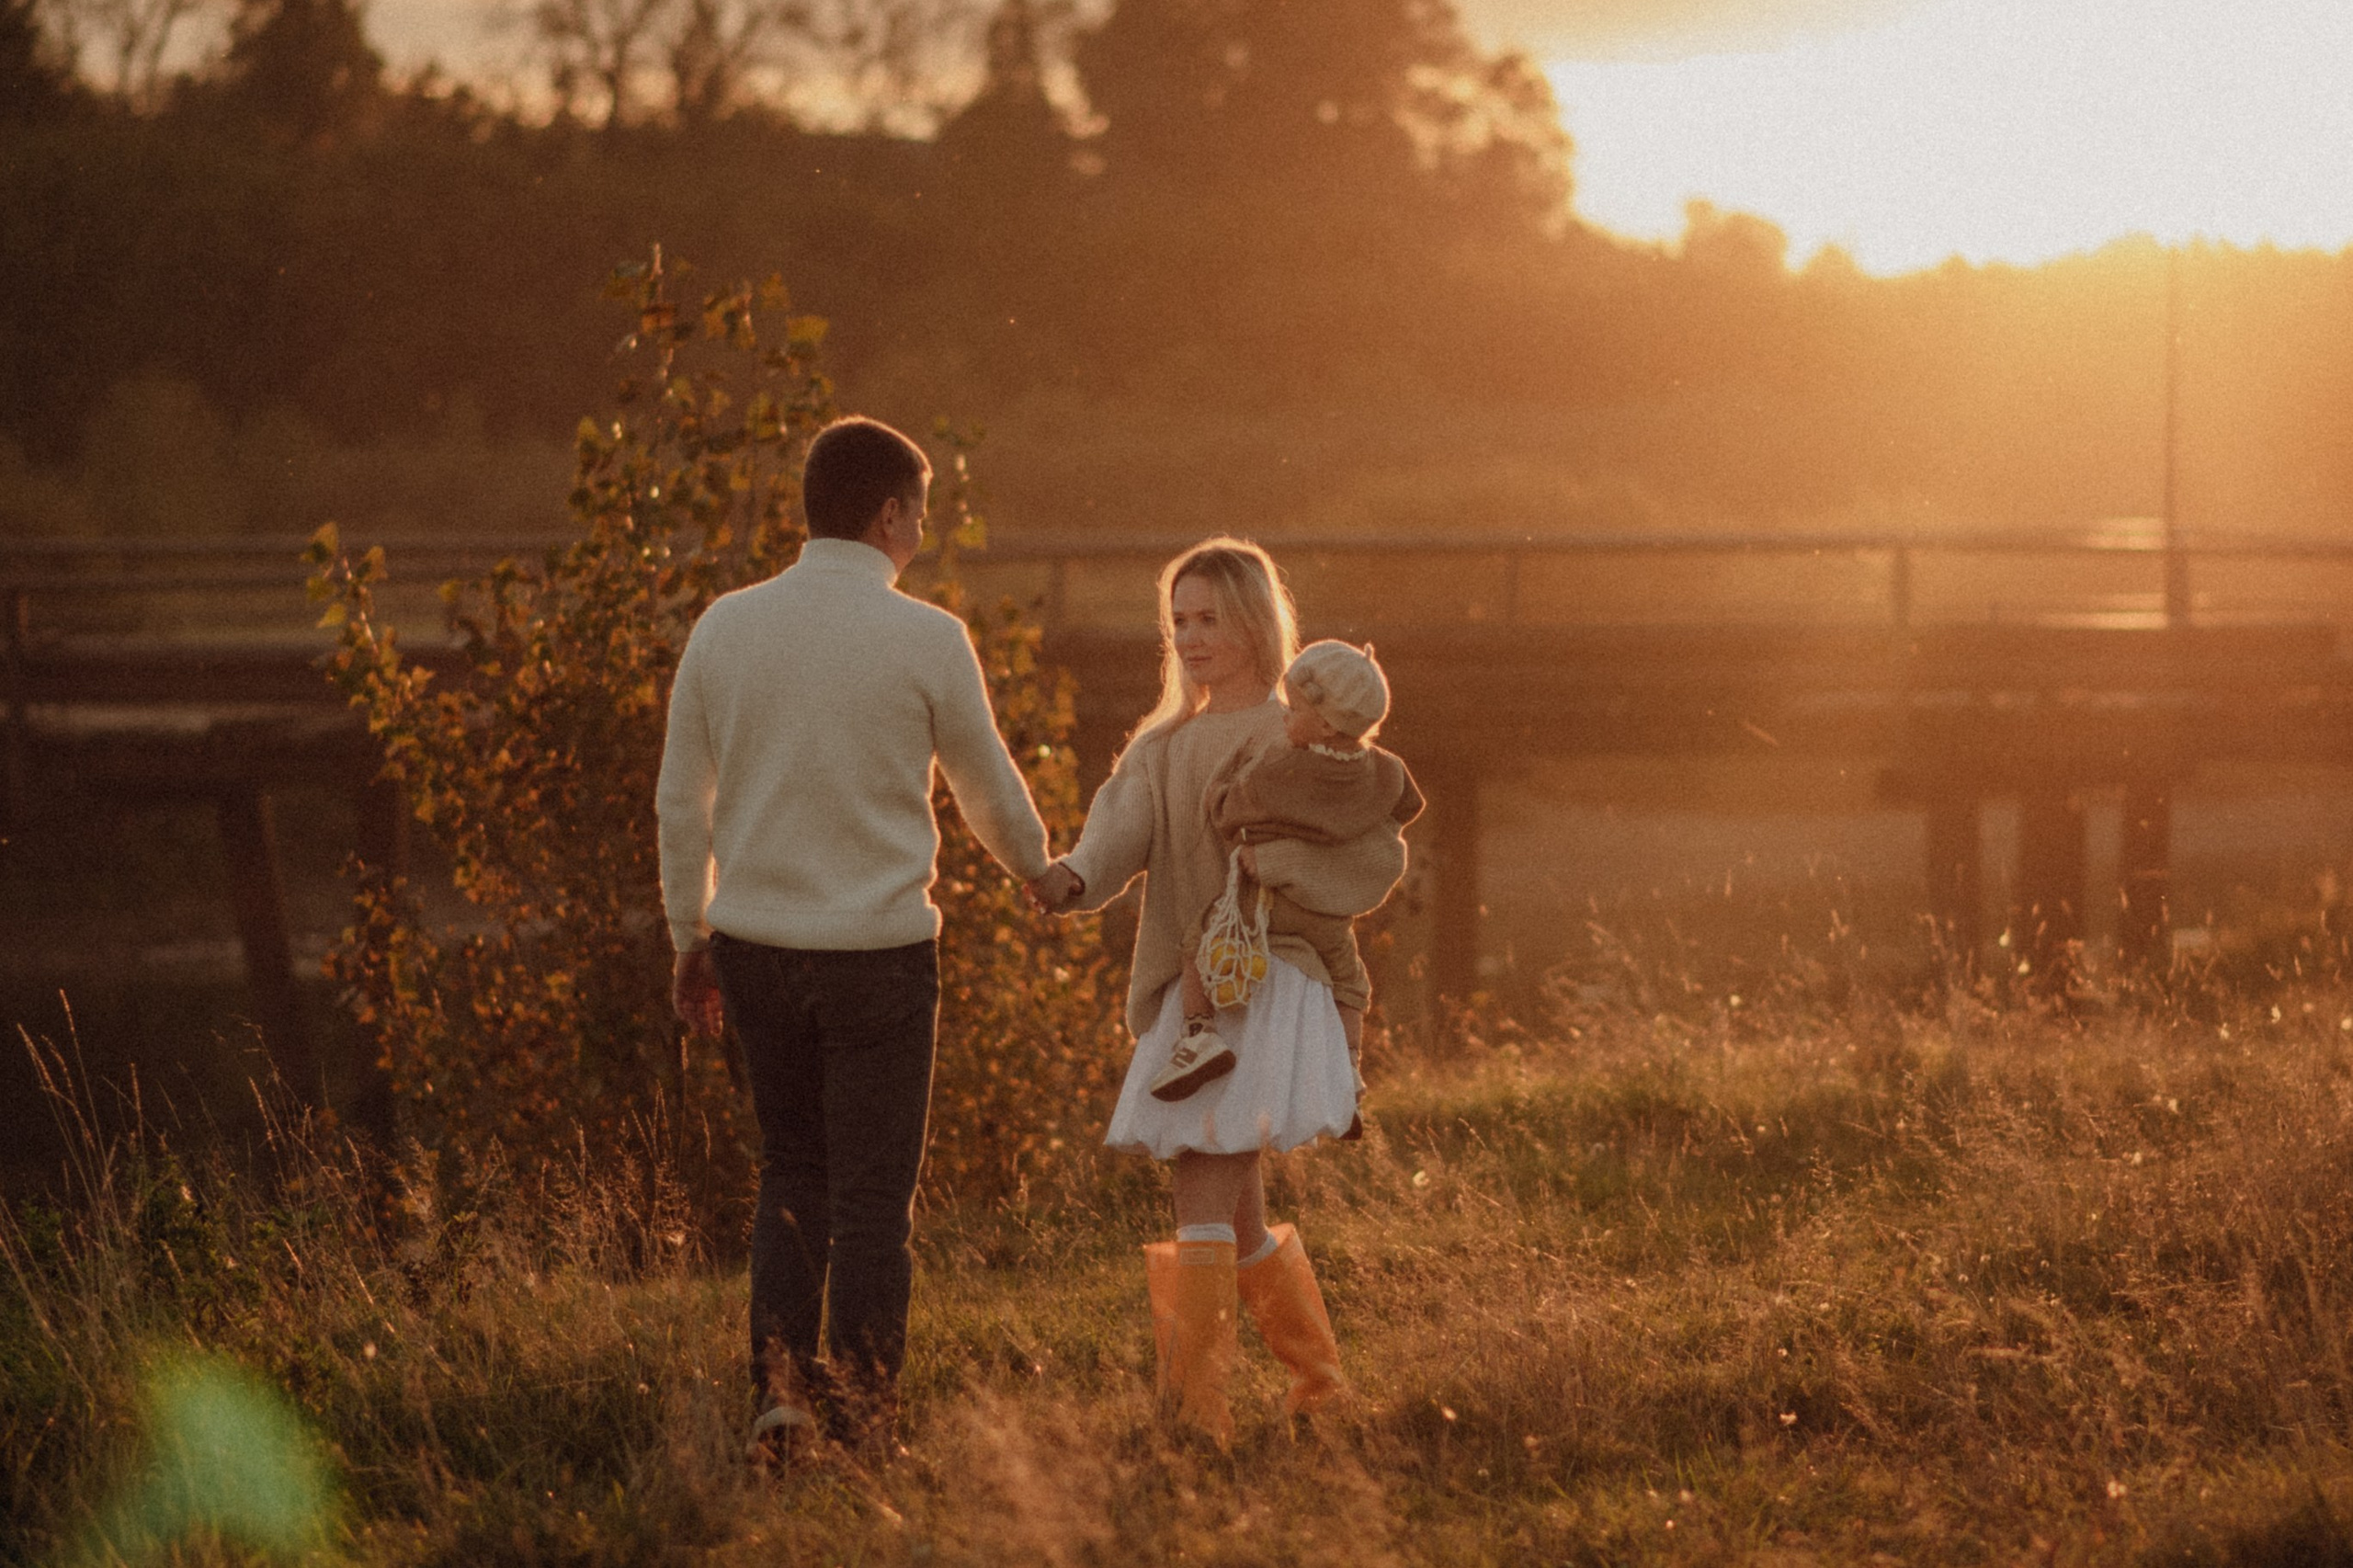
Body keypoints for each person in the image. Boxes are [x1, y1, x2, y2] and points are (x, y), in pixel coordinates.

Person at [657, 415, 1054, 1461]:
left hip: (753, 945)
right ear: (888, 515)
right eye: (919, 514)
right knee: (874, 1199)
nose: (920, 534)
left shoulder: (724, 628)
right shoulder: (927, 637)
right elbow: (984, 784)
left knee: (792, 1172)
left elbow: (681, 801)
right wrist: (1040, 871)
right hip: (879, 953)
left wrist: (689, 931)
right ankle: (867, 1420)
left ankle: (782, 1406)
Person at [1028, 540, 1410, 1444]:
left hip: (1266, 982)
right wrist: (1073, 876)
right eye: (1180, 621)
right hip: (1195, 989)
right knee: (1235, 1210)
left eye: (1211, 618)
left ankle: (1193, 1417)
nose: (1192, 636)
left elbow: (1358, 848)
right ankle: (1320, 1392)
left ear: (1256, 623)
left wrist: (1283, 877)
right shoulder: (1162, 745)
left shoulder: (1296, 735)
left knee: (1200, 1179)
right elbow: (1117, 836)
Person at [1155, 639, 1425, 1104]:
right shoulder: (1385, 770)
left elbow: (1229, 813)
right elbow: (1409, 806)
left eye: (1294, 708)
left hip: (1269, 904)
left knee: (1199, 939)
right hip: (1327, 920)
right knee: (1349, 980)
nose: (1284, 716)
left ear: (1326, 724)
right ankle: (1349, 1070)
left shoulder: (1284, 768)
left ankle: (1199, 1035)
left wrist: (1222, 784)